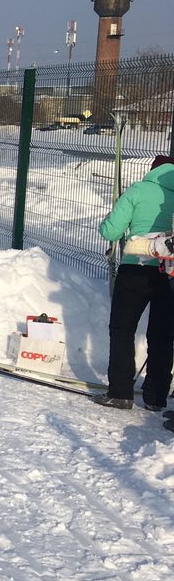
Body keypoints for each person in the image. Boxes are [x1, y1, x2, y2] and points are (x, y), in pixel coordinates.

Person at [94, 157, 174, 410]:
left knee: (123, 329)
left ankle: (120, 392)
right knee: (162, 336)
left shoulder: (138, 190)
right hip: (169, 271)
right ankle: (157, 396)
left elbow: (111, 232)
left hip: (135, 270)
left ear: (153, 171)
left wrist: (108, 219)